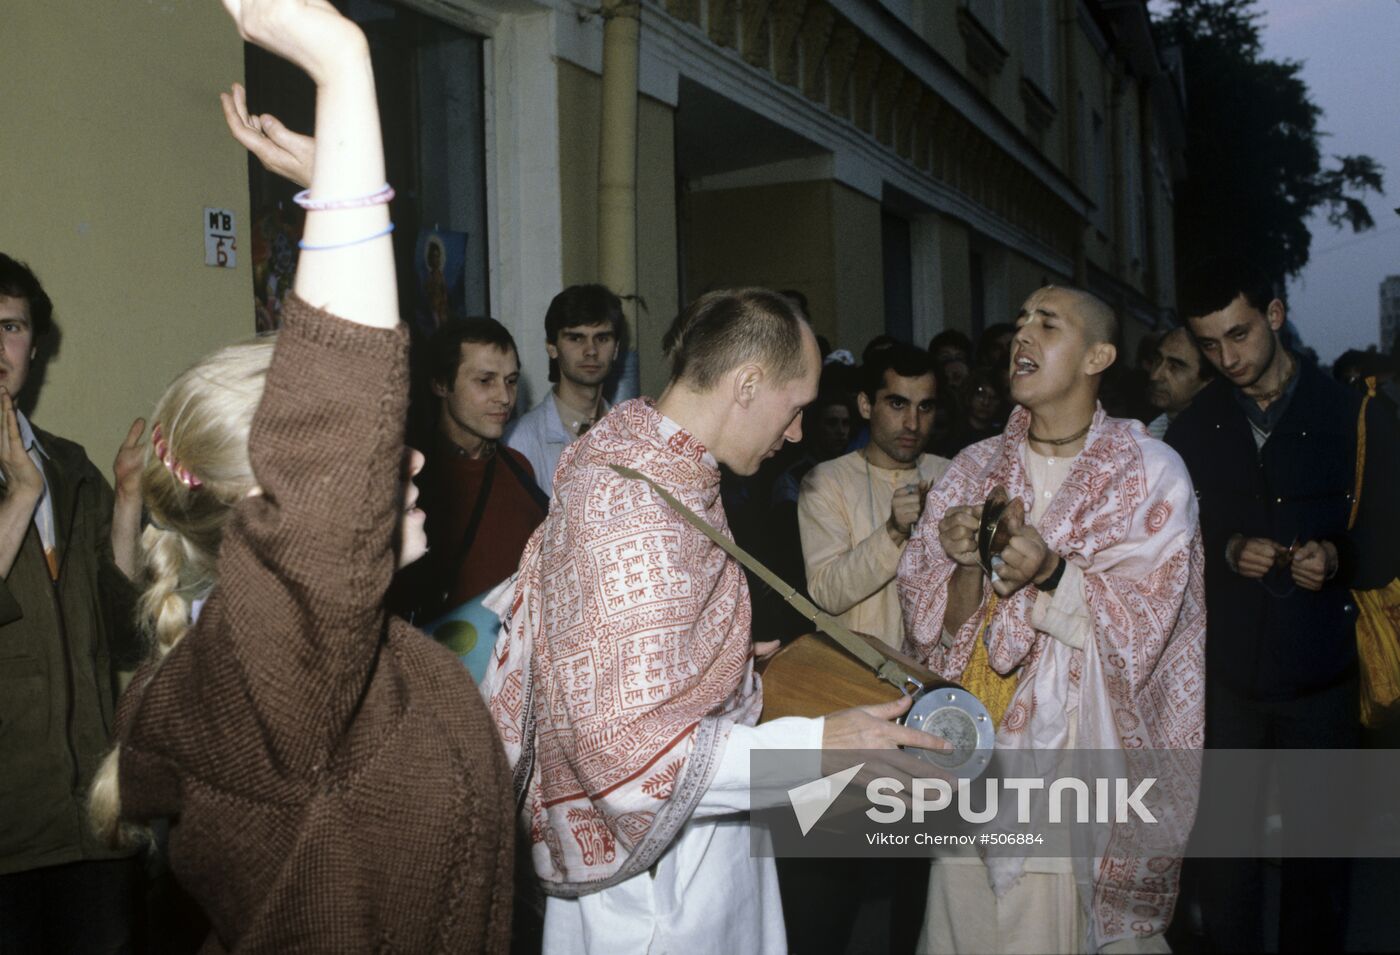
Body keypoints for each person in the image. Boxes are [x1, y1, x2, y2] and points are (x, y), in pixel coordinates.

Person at [95, 2, 514, 949]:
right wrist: (340, 58)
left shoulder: (296, 659)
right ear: (272, 515)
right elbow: (341, 416)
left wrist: (341, 182)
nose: (399, 456)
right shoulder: (258, 683)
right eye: (353, 456)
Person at [481, 287, 948, 955]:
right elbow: (628, 749)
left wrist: (724, 655)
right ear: (749, 383)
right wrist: (821, 748)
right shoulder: (636, 510)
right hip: (660, 895)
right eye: (796, 410)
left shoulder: (649, 455)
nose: (796, 434)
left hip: (698, 853)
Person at [900, 285, 1206, 953]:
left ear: (1099, 355)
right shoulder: (973, 468)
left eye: (1047, 322)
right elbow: (936, 637)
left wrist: (1054, 571)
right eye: (1018, 322)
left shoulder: (1150, 473)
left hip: (1075, 757)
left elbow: (1149, 631)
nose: (1023, 336)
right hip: (979, 755)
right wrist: (967, 562)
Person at [1166, 259, 1400, 953]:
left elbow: (1389, 538)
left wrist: (1338, 557)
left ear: (1274, 315)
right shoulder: (1195, 427)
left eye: (1238, 334)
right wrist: (1227, 545)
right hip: (1226, 682)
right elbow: (1171, 548)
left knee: (1318, 869)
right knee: (1225, 865)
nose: (1226, 357)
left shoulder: (1355, 415)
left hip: (1324, 676)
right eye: (1208, 344)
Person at [0, 255, 147, 952]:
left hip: (93, 828)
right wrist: (19, 498)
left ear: (33, 343)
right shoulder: (35, 481)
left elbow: (122, 636)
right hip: (9, 836)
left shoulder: (70, 466)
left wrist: (125, 500)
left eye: (11, 326)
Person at [799, 343, 950, 648]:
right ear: (866, 405)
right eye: (898, 404)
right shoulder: (826, 481)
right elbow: (827, 593)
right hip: (862, 676)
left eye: (925, 407)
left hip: (941, 676)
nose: (912, 423)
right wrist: (893, 532)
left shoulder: (952, 475)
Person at [397, 317, 548, 622]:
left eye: (511, 380)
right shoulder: (407, 479)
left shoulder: (519, 470)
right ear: (441, 384)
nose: (504, 398)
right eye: (485, 380)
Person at [506, 284, 623, 497]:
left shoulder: (631, 433)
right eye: (576, 338)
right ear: (552, 347)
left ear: (615, 349)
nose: (591, 351)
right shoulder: (519, 441)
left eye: (602, 338)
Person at [1145, 326, 1213, 439]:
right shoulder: (1155, 426)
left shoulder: (1208, 439)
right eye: (1157, 360)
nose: (1155, 376)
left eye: (1175, 367)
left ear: (1207, 380)